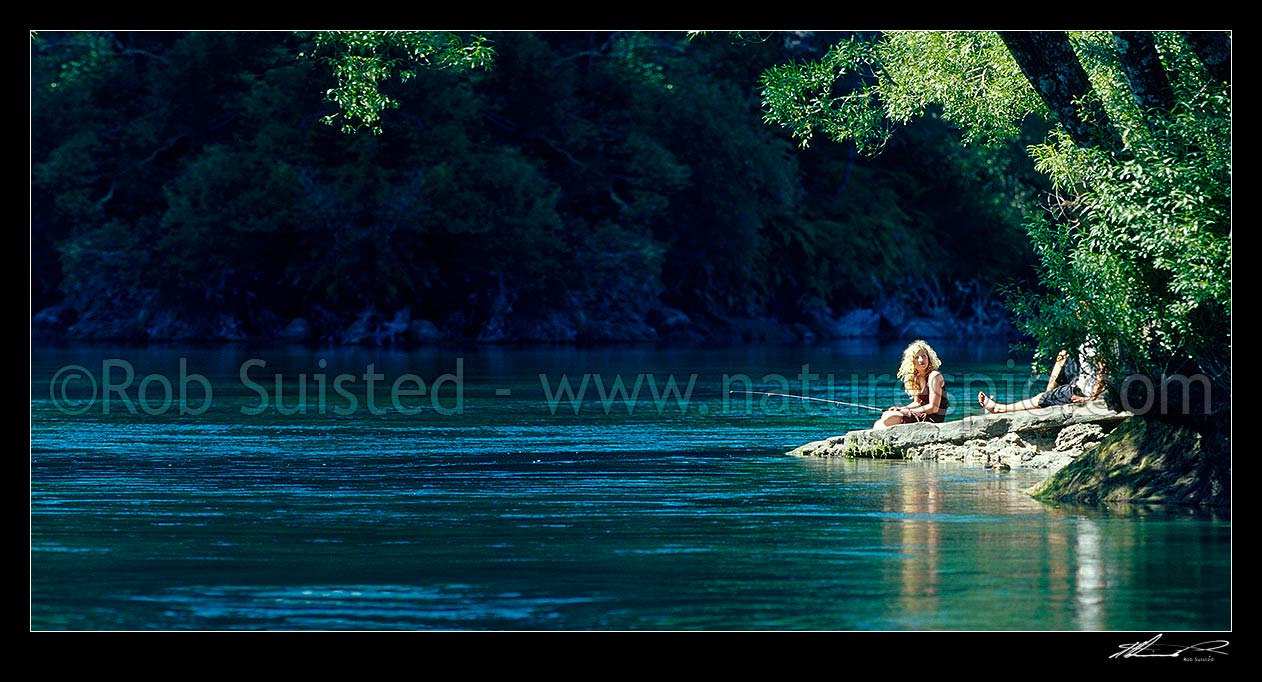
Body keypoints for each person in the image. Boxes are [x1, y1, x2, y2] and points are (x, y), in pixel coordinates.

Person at [978, 344, 1104, 413]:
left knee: (1040, 398)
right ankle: (1047, 395)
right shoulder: (1085, 339)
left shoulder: (1093, 340)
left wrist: (1091, 397)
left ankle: (998, 408)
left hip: (1081, 392)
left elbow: (1102, 368)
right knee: (1064, 354)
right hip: (1081, 385)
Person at [873, 340, 949, 429]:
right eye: (917, 357)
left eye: (924, 356)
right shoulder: (917, 377)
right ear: (912, 361)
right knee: (878, 423)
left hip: (932, 418)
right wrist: (900, 408)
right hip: (920, 414)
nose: (921, 360)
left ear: (929, 358)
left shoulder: (934, 376)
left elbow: (934, 408)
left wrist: (907, 411)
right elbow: (917, 402)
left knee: (888, 418)